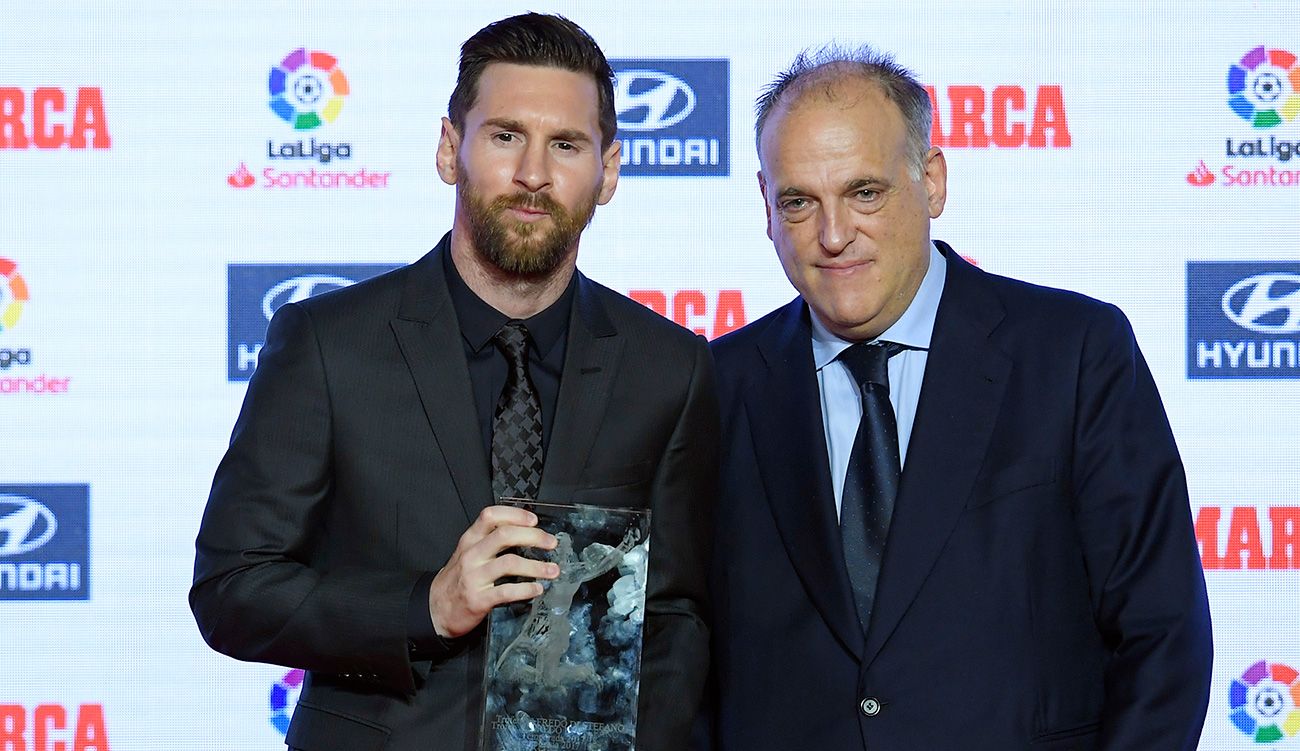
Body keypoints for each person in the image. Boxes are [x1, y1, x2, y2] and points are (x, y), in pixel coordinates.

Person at [190, 14, 716, 751]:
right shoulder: (326, 345)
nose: (533, 173)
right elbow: (231, 590)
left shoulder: (672, 367)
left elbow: (678, 614)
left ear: (610, 171)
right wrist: (426, 605)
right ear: (449, 149)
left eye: (566, 144)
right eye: (505, 136)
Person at [701, 45, 1212, 750]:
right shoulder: (714, 386)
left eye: (865, 192)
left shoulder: (1073, 352)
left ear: (932, 181)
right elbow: (679, 658)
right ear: (765, 206)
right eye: (798, 201)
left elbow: (1163, 636)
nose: (833, 233)